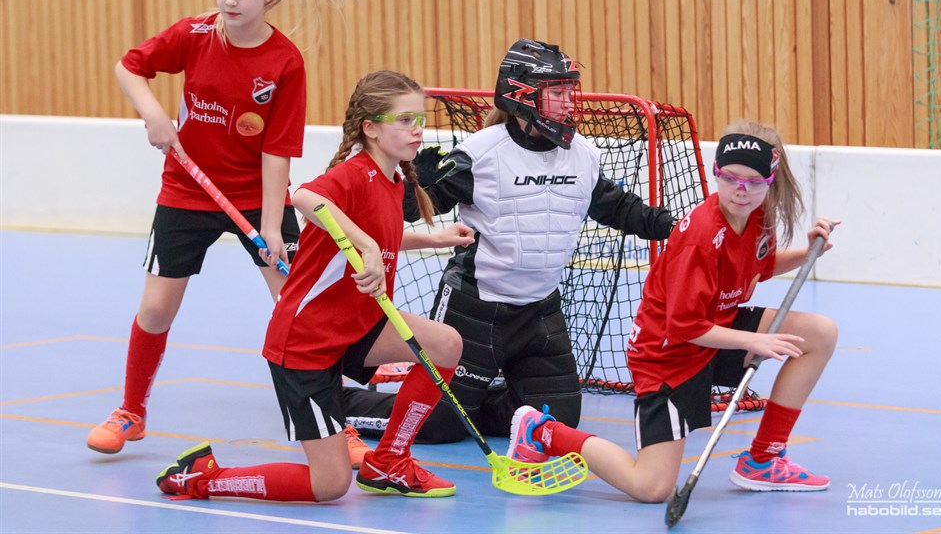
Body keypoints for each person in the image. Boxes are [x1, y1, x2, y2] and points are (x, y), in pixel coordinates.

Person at [87, 0, 374, 456]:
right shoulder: (194, 34)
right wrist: (153, 114)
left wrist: (270, 225)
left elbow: (277, 150)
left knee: (299, 314)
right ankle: (131, 411)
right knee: (156, 309)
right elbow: (129, 66)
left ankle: (337, 427)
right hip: (186, 188)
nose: (229, 0)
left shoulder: (284, 60)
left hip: (257, 196)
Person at [155, 70, 475, 502]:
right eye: (404, 120)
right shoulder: (353, 172)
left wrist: (430, 239)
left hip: (356, 324)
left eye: (419, 119)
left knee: (445, 344)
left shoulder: (393, 178)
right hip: (307, 343)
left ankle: (390, 460)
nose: (417, 130)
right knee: (330, 484)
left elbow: (379, 234)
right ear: (371, 128)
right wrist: (365, 244)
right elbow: (305, 196)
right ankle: (203, 478)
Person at [342, 38, 675, 444]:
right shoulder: (481, 152)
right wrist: (410, 177)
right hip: (474, 309)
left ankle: (467, 409)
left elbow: (619, 208)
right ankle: (337, 404)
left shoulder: (583, 154)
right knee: (438, 424)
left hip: (539, 313)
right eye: (557, 92)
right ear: (522, 96)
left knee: (556, 419)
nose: (569, 102)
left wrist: (680, 227)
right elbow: (415, 209)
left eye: (570, 91)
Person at [506, 120, 840, 501]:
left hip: (716, 331)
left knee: (820, 333)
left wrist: (807, 252)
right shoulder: (701, 235)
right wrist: (753, 341)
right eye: (731, 178)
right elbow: (683, 326)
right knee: (651, 487)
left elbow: (757, 267)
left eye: (753, 182)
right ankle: (542, 431)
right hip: (668, 355)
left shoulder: (757, 215)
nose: (741, 190)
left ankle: (764, 458)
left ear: (770, 180)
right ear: (716, 173)